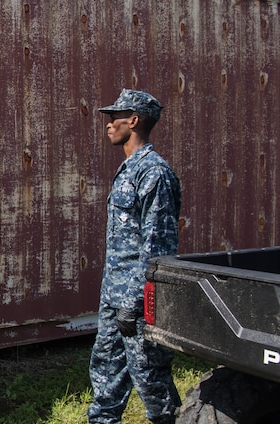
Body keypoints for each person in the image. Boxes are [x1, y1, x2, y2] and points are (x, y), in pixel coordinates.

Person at [88, 89, 182, 424]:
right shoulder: (129, 169)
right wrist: (114, 300)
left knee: (151, 382)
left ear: (134, 120)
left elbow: (157, 244)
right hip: (114, 297)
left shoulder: (154, 173)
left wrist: (134, 302)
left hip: (136, 302)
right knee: (105, 376)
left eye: (115, 117)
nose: (108, 125)